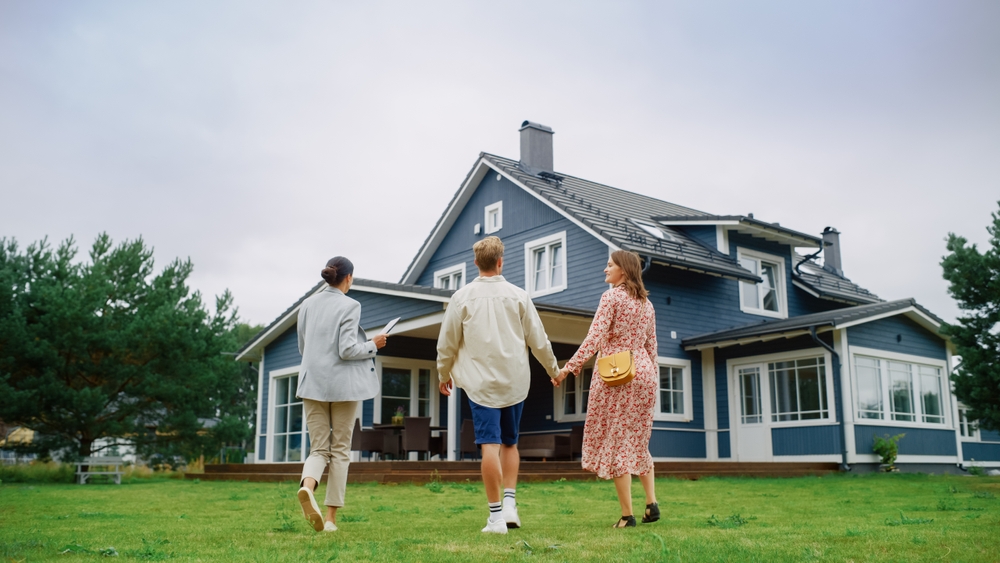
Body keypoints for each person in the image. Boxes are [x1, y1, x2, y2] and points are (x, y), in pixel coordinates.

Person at [436, 236, 560, 534]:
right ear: (501, 261)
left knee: (489, 445)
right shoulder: (519, 295)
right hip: (515, 382)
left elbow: (447, 344)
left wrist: (443, 375)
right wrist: (553, 370)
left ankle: (495, 519)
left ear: (476, 263)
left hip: (481, 385)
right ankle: (509, 505)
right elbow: (538, 340)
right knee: (510, 443)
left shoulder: (461, 297)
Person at [553, 250, 660, 528]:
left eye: (609, 265)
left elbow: (594, 337)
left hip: (618, 373)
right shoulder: (647, 304)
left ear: (623, 270)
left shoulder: (611, 297)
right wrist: (653, 381)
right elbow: (652, 348)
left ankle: (627, 515)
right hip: (645, 373)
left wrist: (569, 367)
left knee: (617, 442)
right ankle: (651, 503)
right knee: (638, 441)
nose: (605, 269)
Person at [295, 256, 388, 533]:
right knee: (340, 450)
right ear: (348, 278)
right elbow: (347, 350)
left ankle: (308, 488)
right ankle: (331, 520)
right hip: (343, 387)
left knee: (319, 448)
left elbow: (304, 347)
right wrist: (373, 344)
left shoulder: (306, 304)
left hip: (311, 384)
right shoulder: (351, 305)